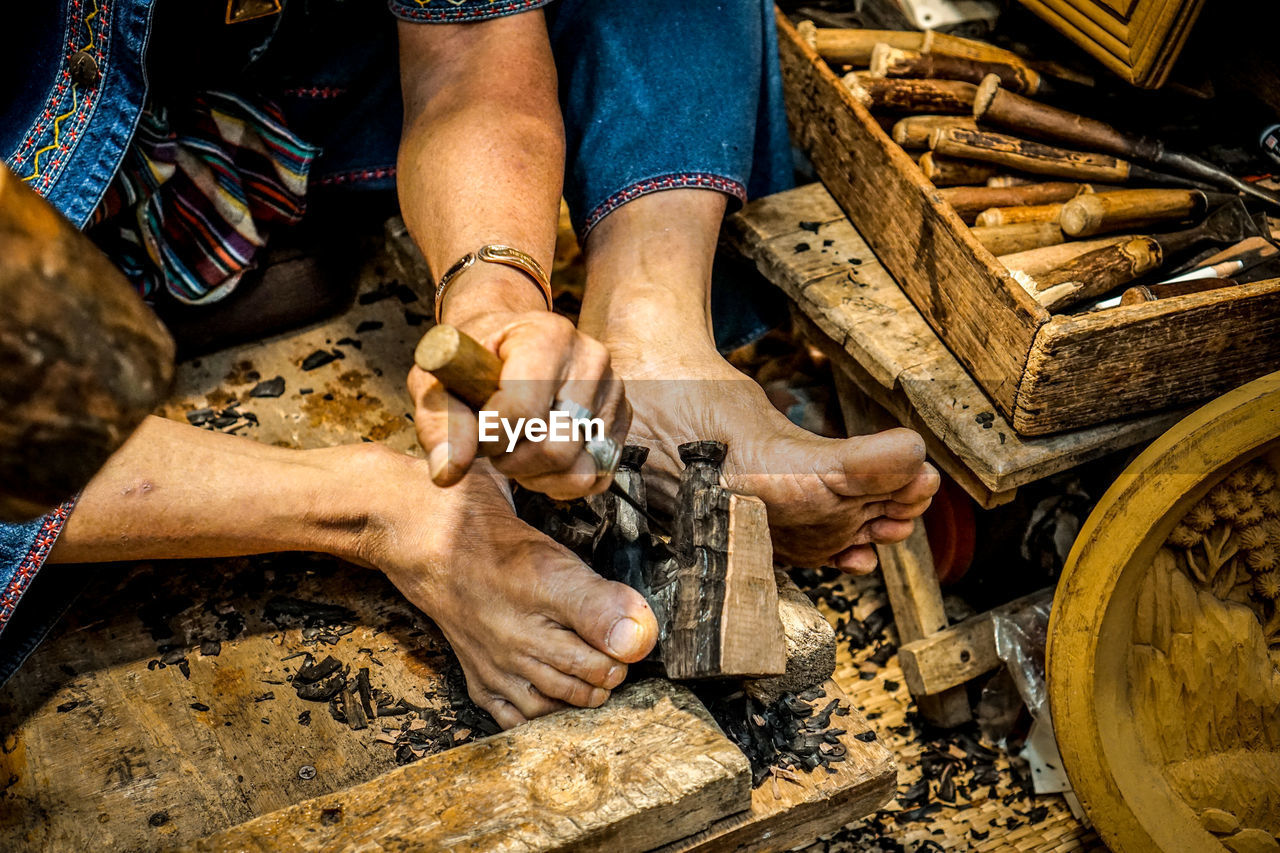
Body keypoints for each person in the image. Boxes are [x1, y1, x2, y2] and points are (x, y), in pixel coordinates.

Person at [0, 0, 938, 729]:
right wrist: (393, 512)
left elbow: (469, 51)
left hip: (284, 107)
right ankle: (379, 501)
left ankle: (653, 334)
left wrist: (493, 294)